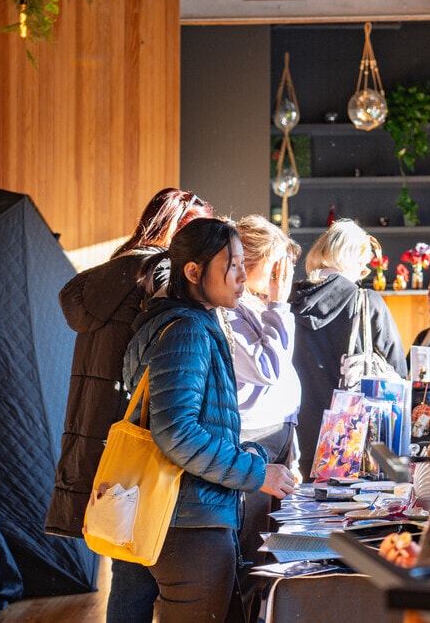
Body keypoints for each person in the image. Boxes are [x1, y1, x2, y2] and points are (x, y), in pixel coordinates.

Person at [44, 188, 213, 619]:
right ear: (176, 231)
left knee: (128, 565)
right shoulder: (158, 272)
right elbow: (162, 358)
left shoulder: (115, 271)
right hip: (138, 434)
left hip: (103, 437)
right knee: (144, 567)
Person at [120, 217, 295, 622]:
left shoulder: (182, 323)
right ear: (194, 272)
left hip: (188, 516)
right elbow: (177, 433)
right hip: (189, 525)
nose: (241, 275)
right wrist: (256, 471)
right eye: (230, 265)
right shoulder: (188, 331)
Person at [289, 219, 406, 480]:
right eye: (362, 266)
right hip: (351, 443)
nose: (362, 273)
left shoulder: (288, 302)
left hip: (296, 442)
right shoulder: (366, 303)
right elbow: (398, 372)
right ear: (350, 260)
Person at [228, 215, 302, 618]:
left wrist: (295, 447)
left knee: (270, 553)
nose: (279, 276)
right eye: (274, 265)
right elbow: (268, 368)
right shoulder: (232, 310)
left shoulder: (255, 306)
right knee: (250, 552)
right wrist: (279, 303)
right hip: (253, 439)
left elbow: (283, 379)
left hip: (277, 436)